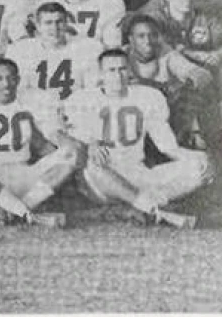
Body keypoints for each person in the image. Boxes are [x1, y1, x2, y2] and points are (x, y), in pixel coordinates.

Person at [66, 49, 213, 228]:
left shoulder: (147, 97)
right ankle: (156, 210)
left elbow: (167, 147)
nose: (118, 75)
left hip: (138, 172)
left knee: (199, 167)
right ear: (100, 74)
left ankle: (135, 206)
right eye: (111, 70)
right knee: (93, 166)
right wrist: (90, 145)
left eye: (122, 69)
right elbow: (74, 143)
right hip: (103, 178)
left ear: (129, 70)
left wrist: (199, 158)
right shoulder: (84, 99)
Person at [0, 58, 82, 227]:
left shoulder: (29, 99)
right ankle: (27, 214)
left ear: (18, 80)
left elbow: (45, 141)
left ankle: (14, 209)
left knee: (70, 155)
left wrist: (66, 149)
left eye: (10, 78)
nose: (6, 84)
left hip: (23, 172)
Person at [141, 0, 222, 155]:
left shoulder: (202, 18)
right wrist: (192, 54)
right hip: (171, 74)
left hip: (201, 68)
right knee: (180, 65)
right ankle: (192, 131)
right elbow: (159, 44)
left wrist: (220, 53)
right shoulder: (157, 18)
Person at [121, 14, 212, 147]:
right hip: (133, 118)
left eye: (152, 35)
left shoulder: (166, 54)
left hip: (166, 117)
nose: (148, 41)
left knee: (187, 94)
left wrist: (194, 75)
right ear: (131, 39)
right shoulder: (120, 56)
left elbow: (199, 73)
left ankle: (186, 138)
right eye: (141, 36)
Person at [4, 2, 103, 102]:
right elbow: (19, 92)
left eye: (59, 22)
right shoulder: (21, 50)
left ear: (66, 23)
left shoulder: (88, 48)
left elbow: (91, 92)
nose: (54, 28)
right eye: (48, 23)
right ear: (38, 26)